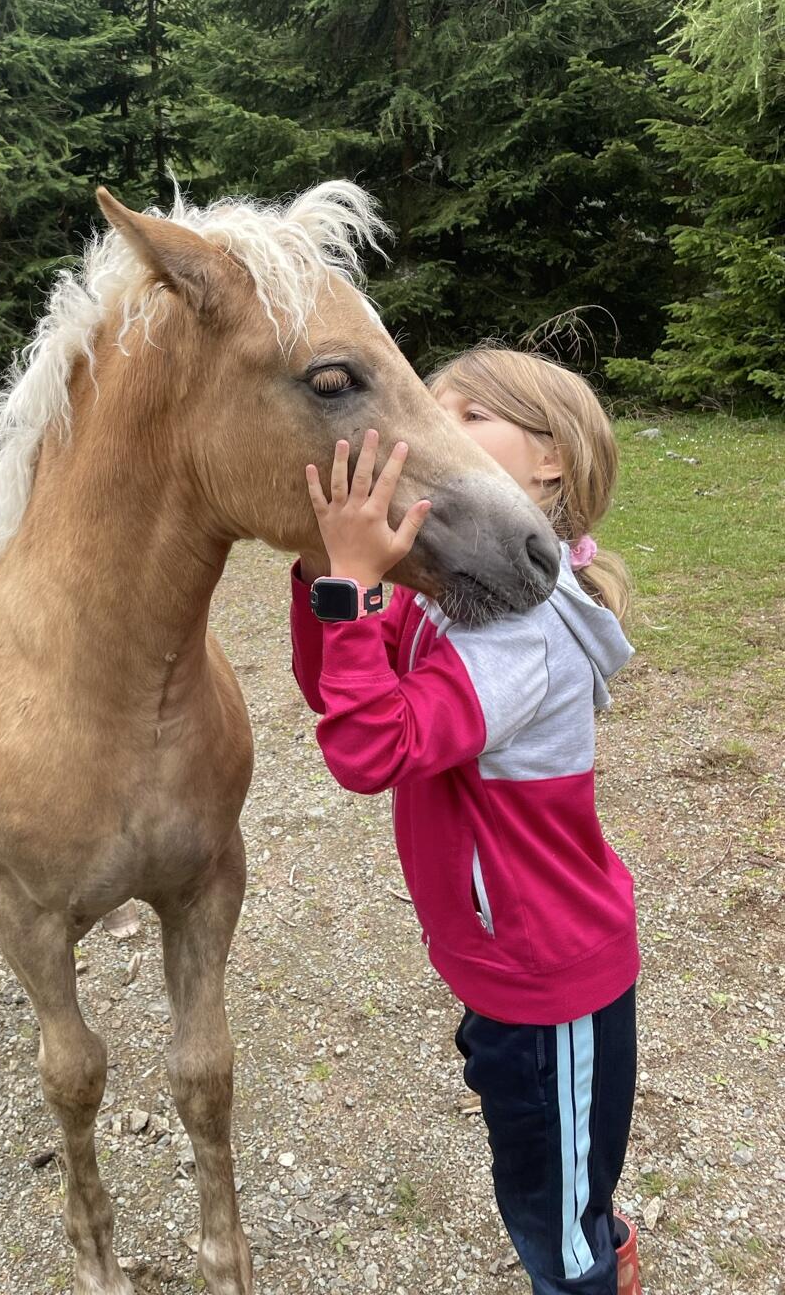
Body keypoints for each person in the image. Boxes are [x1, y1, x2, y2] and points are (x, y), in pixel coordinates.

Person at [290, 345, 643, 1295]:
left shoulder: (523, 628)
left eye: (467, 415)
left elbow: (371, 751)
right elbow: (334, 691)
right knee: (544, 1164)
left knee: (555, 1229)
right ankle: (593, 1225)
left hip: (549, 982)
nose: (429, 431)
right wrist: (323, 571)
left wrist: (353, 585)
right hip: (503, 964)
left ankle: (594, 1260)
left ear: (551, 459)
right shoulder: (456, 597)